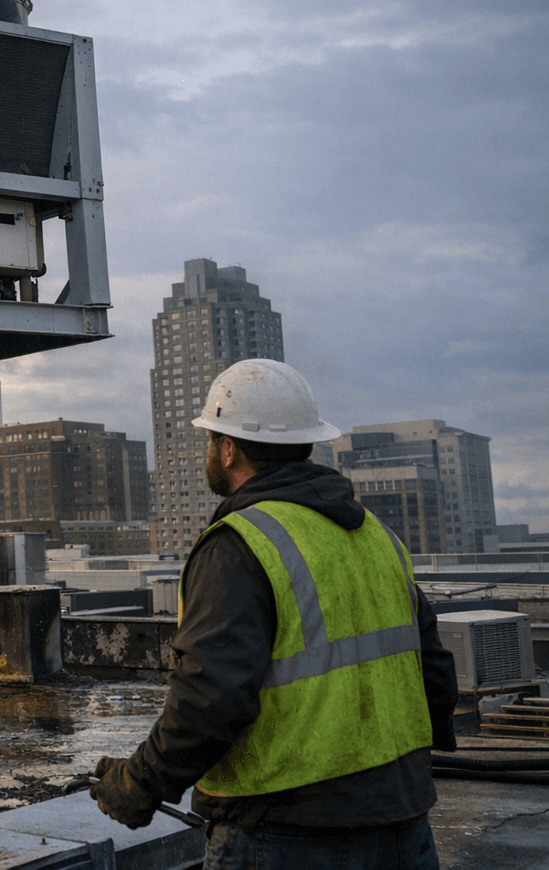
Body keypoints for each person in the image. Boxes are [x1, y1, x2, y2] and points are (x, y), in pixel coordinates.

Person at [89, 359, 458, 870]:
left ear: (227, 449)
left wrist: (139, 782)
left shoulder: (240, 545)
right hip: (403, 820)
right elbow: (434, 672)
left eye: (210, 440)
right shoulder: (378, 535)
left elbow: (210, 697)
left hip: (287, 832)